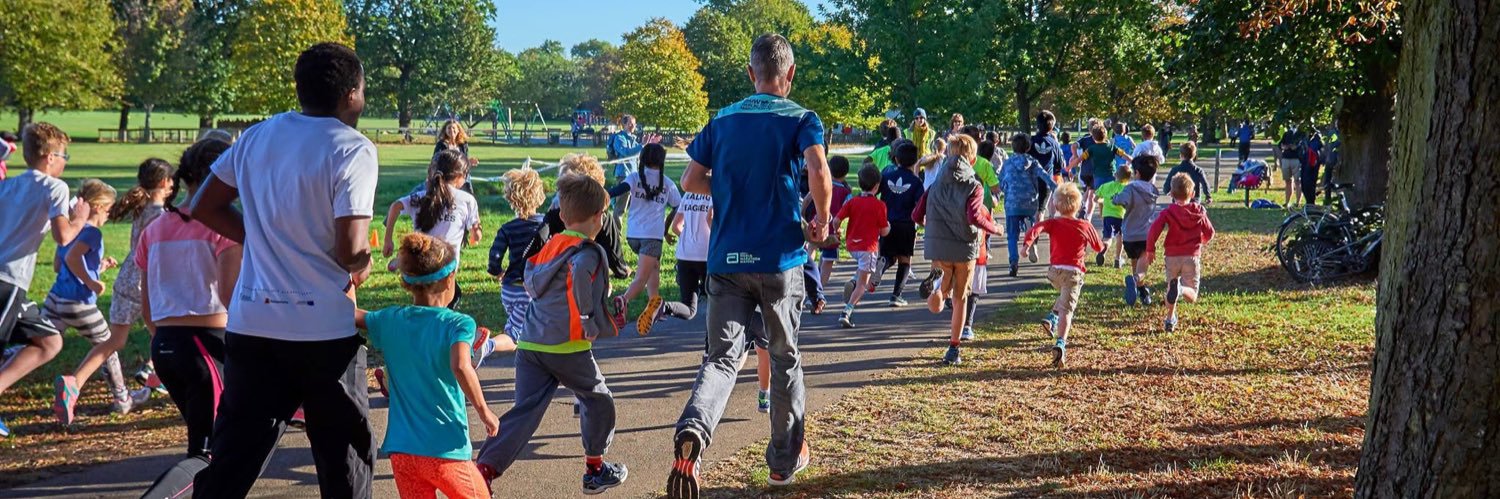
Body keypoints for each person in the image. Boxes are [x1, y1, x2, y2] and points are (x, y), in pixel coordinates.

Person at [187, 43, 379, 498]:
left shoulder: (257, 135)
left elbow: (203, 206)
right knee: (344, 460)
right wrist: (364, 263)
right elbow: (351, 247)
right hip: (323, 332)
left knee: (234, 458)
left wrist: (261, 237)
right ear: (351, 94)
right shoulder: (353, 148)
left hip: (253, 325)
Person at [668, 33, 832, 497]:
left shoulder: (722, 119)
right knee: (783, 358)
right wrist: (820, 218)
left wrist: (731, 190)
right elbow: (818, 169)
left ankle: (694, 434)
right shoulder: (802, 118)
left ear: (750, 73)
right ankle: (783, 460)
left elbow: (691, 178)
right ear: (791, 73)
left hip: (725, 259)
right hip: (780, 258)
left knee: (721, 360)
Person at [475, 175, 628, 494]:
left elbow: (532, 283)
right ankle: (595, 469)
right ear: (600, 217)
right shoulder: (587, 252)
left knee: (524, 412)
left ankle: (484, 470)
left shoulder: (549, 247)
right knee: (599, 400)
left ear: (561, 216)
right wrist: (589, 318)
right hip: (567, 345)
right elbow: (583, 284)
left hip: (530, 342)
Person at [136, 138, 241, 499]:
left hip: (165, 345)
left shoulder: (155, 229)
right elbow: (230, 296)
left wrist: (161, 339)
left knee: (211, 444)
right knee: (206, 454)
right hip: (207, 347)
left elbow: (147, 302)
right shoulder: (223, 228)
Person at [358, 233, 497, 499]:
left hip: (402, 453)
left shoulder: (389, 319)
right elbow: (460, 366)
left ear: (407, 282)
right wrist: (484, 411)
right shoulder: (458, 323)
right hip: (445, 450)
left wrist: (346, 281)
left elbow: (351, 314)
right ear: (449, 278)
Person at [57, 158, 176, 424]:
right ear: (164, 182)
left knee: (114, 341)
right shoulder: (162, 214)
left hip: (126, 280)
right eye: (171, 180)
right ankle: (164, 378)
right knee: (168, 335)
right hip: (149, 281)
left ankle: (74, 383)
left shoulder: (142, 206)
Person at [0, 122, 91, 437]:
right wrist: (82, 218)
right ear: (51, 157)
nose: (66, 160)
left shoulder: (7, 186)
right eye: (65, 155)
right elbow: (63, 236)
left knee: (50, 341)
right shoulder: (56, 187)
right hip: (7, 279)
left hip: (13, 283)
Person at [44, 179, 135, 426]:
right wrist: (92, 283)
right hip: (79, 304)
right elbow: (74, 258)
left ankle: (5, 359)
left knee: (36, 345)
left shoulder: (72, 230)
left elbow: (58, 263)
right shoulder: (92, 233)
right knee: (108, 346)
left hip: (56, 299)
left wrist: (98, 267)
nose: (109, 214)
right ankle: (122, 398)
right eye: (107, 209)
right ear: (96, 207)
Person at [912, 135, 1002, 366]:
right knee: (961, 298)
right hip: (964, 247)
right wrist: (995, 228)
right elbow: (974, 216)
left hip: (939, 248)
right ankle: (953, 348)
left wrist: (932, 225)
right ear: (972, 159)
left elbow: (916, 215)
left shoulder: (934, 185)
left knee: (938, 299)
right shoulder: (974, 185)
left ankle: (935, 290)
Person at [1019, 183, 1105, 368]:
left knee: (1063, 296)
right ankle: (1061, 343)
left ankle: (1051, 318)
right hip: (1073, 273)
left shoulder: (1053, 223)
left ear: (1056, 206)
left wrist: (1026, 246)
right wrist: (1102, 247)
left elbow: (1035, 229)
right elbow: (1098, 246)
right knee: (1067, 309)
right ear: (1079, 205)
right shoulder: (1084, 225)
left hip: (1054, 272)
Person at [383, 150, 482, 309]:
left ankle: (402, 259)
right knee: (447, 301)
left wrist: (388, 240)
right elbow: (476, 234)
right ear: (460, 177)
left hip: (420, 264)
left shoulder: (421, 196)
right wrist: (476, 234)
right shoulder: (467, 200)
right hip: (445, 266)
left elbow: (395, 207)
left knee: (422, 302)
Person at [608, 143, 682, 335]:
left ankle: (654, 307)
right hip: (652, 238)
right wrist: (666, 229)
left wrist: (602, 194)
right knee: (641, 278)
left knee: (653, 270)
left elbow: (617, 191)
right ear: (661, 160)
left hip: (633, 236)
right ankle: (623, 300)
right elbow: (677, 206)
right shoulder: (667, 183)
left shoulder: (633, 178)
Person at [527, 154, 631, 279]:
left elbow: (540, 237)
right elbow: (612, 247)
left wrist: (529, 266)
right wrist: (620, 269)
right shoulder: (601, 215)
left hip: (559, 270)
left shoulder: (556, 211)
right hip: (588, 269)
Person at [484, 167, 546, 363]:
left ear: (511, 198)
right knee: (515, 335)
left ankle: (529, 363)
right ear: (539, 195)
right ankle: (486, 346)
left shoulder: (507, 228)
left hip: (509, 289)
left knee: (524, 329)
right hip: (530, 290)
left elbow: (494, 255)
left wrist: (497, 271)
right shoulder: (545, 226)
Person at [1144, 173, 1215, 332]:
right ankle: (1182, 289)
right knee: (1193, 295)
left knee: (1171, 286)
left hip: (1172, 256)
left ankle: (1170, 318)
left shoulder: (1168, 212)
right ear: (1193, 194)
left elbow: (1154, 230)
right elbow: (1210, 232)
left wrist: (1150, 249)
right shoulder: (1199, 212)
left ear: (1171, 194)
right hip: (1191, 256)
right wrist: (1200, 241)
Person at [833, 166, 889, 328]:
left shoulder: (852, 202)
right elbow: (884, 231)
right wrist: (889, 226)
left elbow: (836, 220)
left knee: (863, 271)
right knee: (863, 286)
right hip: (868, 248)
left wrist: (837, 231)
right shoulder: (879, 205)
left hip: (852, 246)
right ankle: (847, 311)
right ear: (877, 186)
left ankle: (855, 279)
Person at [874, 140, 923, 307]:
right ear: (916, 161)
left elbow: (875, 192)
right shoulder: (916, 182)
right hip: (906, 224)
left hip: (886, 223)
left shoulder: (886, 176)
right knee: (904, 260)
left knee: (888, 256)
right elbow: (920, 204)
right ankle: (896, 295)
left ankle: (882, 265)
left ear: (896, 159)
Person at [999, 133, 1057, 277]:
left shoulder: (1008, 163)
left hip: (1012, 203)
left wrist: (1004, 189)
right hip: (1030, 202)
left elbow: (1000, 181)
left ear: (1013, 147)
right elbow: (1045, 176)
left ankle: (1013, 262)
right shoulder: (1033, 161)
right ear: (1029, 147)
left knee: (1012, 235)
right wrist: (1057, 188)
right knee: (1031, 229)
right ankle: (1031, 242)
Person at [1112, 155, 1162, 308]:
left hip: (1129, 234)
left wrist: (1115, 198)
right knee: (1142, 264)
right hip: (1146, 234)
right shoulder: (1153, 190)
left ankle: (1140, 289)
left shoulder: (1130, 188)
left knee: (1135, 260)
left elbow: (1120, 200)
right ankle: (1136, 281)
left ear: (1137, 173)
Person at [605, 114, 663, 223]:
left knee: (637, 205)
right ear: (624, 124)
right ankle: (616, 236)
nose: (633, 125)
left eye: (634, 123)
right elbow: (626, 153)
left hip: (635, 176)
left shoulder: (633, 139)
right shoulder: (619, 138)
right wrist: (642, 144)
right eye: (630, 123)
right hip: (624, 176)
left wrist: (650, 144)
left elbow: (641, 153)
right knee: (620, 208)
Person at [1067, 125, 1131, 221]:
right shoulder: (1112, 147)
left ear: (1093, 137)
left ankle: (1103, 217)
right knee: (1110, 198)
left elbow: (1079, 160)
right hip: (1111, 177)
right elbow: (1125, 156)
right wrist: (1131, 162)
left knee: (1099, 198)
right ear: (1105, 135)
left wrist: (1069, 167)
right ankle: (1112, 216)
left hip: (1098, 178)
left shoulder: (1091, 149)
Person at [813, 156, 853, 293]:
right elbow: (849, 210)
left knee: (820, 256)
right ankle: (818, 290)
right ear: (846, 173)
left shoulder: (823, 185)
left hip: (817, 225)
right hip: (831, 230)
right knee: (828, 262)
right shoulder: (845, 192)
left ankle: (812, 280)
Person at [1029, 111, 1067, 219]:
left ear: (1037, 125)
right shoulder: (1054, 144)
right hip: (1046, 180)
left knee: (1030, 210)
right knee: (1040, 210)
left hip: (1030, 180)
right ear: (1052, 127)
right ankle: (1036, 233)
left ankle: (1030, 231)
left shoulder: (1030, 141)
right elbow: (1059, 164)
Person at [1095, 165, 1133, 268]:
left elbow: (1096, 199)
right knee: (1120, 237)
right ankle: (1117, 259)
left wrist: (1104, 201)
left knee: (1107, 237)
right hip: (1121, 216)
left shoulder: (1105, 186)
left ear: (1115, 174)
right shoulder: (1127, 189)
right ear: (1129, 178)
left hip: (1107, 215)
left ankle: (1104, 248)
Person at [1278, 125, 1304, 207]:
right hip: (1286, 158)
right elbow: (1280, 144)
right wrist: (1283, 146)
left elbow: (1300, 146)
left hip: (1297, 159)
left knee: (1298, 181)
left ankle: (1298, 202)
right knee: (1287, 181)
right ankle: (1287, 202)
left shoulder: (1301, 134)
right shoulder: (1287, 133)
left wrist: (1294, 147)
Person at [1301, 129, 1323, 205]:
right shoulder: (1306, 139)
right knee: (1306, 185)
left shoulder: (1315, 140)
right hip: (1307, 163)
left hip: (1310, 164)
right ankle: (1309, 203)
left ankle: (1310, 203)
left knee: (1309, 184)